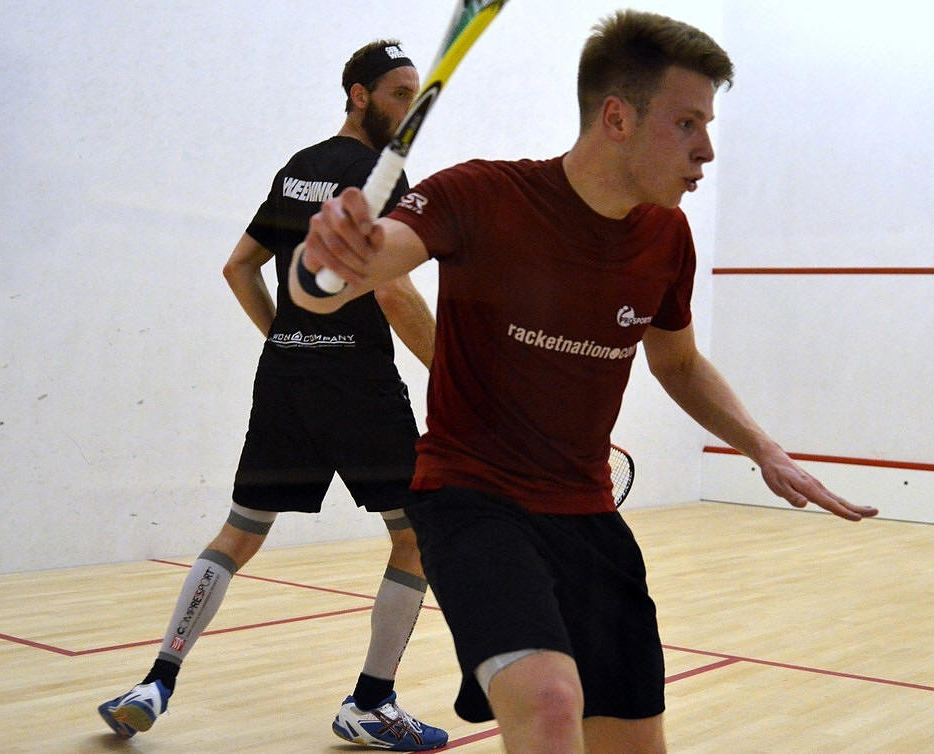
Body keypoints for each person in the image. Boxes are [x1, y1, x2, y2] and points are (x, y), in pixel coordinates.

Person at [290, 12, 879, 754]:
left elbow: (678, 362)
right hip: (472, 502)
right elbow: (341, 281)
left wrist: (764, 448)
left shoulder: (667, 237)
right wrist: (322, 262)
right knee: (549, 702)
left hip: (588, 517)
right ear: (617, 118)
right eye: (687, 123)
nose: (707, 149)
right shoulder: (480, 195)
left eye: (708, 125)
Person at [98, 40, 449, 751]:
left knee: (240, 531)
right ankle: (371, 703)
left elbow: (239, 266)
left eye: (415, 96)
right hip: (358, 383)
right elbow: (392, 291)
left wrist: (288, 337)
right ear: (358, 95)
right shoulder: (379, 176)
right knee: (416, 535)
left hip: (286, 377)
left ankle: (155, 682)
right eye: (397, 94)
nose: (408, 108)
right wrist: (458, 373)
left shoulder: (299, 168)